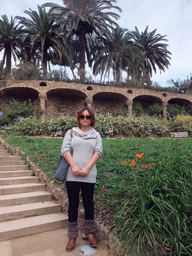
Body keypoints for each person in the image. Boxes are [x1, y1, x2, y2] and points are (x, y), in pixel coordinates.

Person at [61, 107, 103, 252]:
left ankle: (90, 233)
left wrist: (86, 168)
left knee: (88, 204)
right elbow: (65, 149)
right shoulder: (71, 132)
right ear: (78, 118)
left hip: (88, 175)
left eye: (88, 116)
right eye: (82, 116)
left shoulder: (96, 135)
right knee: (73, 204)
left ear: (92, 119)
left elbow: (98, 152)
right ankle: (72, 236)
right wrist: (73, 166)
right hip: (72, 175)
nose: (85, 119)